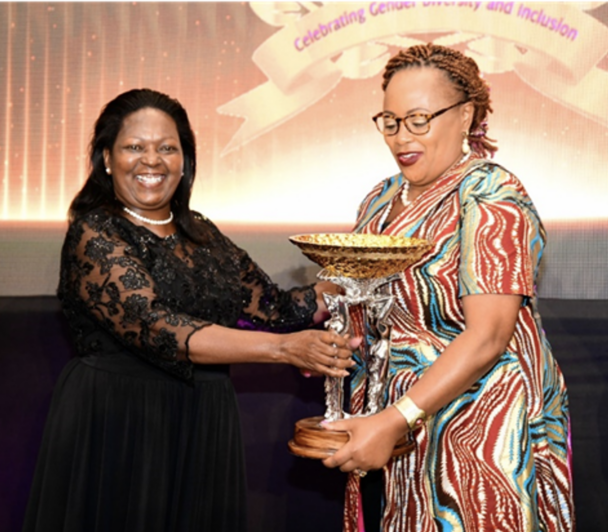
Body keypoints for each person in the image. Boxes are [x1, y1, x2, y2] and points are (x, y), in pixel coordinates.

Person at [22, 88, 358, 532]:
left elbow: (275, 307)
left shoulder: (200, 231)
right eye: (134, 147)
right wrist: (283, 350)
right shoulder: (95, 232)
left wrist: (345, 277)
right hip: (119, 424)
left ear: (185, 160)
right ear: (106, 158)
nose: (152, 161)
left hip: (203, 421)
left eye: (167, 148)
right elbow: (158, 326)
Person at [322, 44, 575, 532]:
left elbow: (488, 337)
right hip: (393, 427)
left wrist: (396, 418)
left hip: (479, 426)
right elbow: (352, 301)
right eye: (390, 121)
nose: (401, 137)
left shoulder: (491, 194)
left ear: (466, 116)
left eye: (419, 119)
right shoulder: (379, 199)